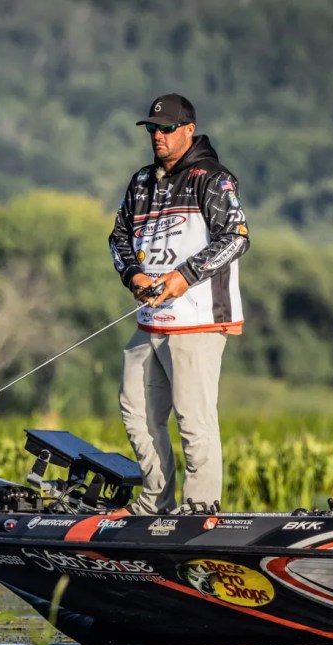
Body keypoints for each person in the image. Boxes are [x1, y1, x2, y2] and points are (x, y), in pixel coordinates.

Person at [108, 93, 250, 515]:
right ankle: (155, 502)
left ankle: (200, 508)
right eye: (153, 129)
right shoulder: (141, 182)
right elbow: (118, 238)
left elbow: (237, 238)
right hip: (151, 321)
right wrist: (132, 274)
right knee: (136, 412)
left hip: (198, 321)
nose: (158, 136)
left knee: (193, 418)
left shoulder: (212, 178)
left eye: (167, 129)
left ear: (189, 129)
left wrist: (185, 275)